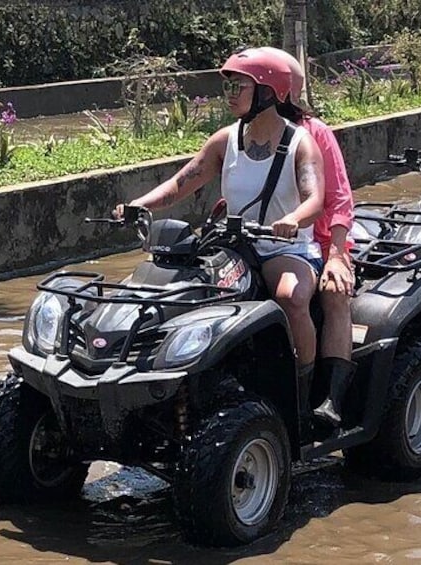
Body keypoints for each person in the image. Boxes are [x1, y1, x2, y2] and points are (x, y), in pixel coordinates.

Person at [114, 48, 324, 383]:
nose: (229, 94)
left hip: (285, 248)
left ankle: (305, 386)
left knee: (291, 297)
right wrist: (140, 204)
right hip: (233, 246)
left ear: (268, 92)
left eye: (238, 86)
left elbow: (315, 200)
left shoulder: (300, 142)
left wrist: (294, 221)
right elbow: (179, 184)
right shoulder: (225, 140)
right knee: (179, 287)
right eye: (228, 87)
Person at [262, 46, 357, 427]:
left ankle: (328, 397)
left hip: (316, 240)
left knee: (334, 293)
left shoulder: (314, 134)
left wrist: (336, 253)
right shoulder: (245, 136)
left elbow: (338, 199)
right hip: (264, 241)